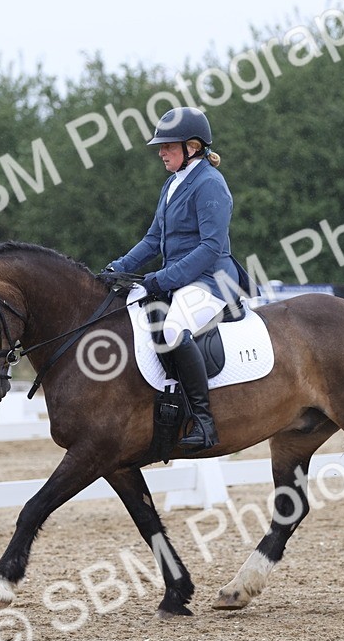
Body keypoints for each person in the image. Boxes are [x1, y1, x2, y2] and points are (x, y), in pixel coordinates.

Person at [102, 107, 248, 451]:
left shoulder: (210, 184)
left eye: (168, 146)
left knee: (171, 329)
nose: (161, 152)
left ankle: (204, 422)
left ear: (192, 147)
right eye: (161, 146)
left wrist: (161, 279)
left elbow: (211, 248)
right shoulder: (173, 183)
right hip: (182, 279)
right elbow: (153, 240)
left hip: (213, 280)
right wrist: (117, 267)